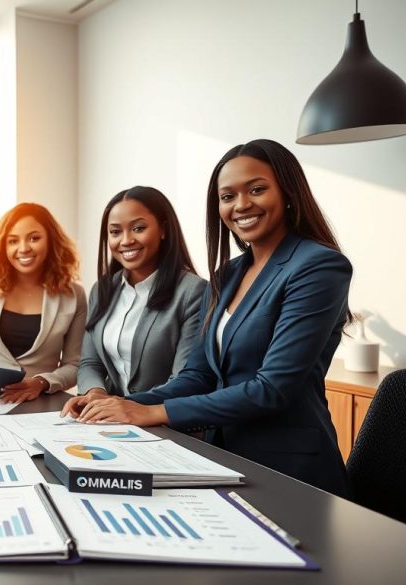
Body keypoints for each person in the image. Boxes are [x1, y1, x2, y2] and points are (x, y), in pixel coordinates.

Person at [71, 139, 352, 496]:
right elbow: (199, 375)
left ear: (288, 191)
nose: (241, 205)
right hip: (221, 455)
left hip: (289, 468)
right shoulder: (228, 275)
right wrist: (118, 405)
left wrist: (155, 413)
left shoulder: (318, 266)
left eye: (257, 189)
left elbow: (273, 388)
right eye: (227, 196)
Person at [60, 186, 206, 420]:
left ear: (163, 230)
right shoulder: (103, 289)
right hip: (111, 420)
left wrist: (124, 404)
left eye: (139, 228)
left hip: (165, 422)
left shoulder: (193, 291)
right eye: (115, 232)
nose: (126, 240)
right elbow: (89, 362)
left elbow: (185, 380)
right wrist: (96, 393)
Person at [0, 203, 86, 406]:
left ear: (51, 240)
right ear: (3, 246)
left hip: (41, 404)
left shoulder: (74, 294)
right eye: (13, 241)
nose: (23, 248)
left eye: (34, 238)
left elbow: (75, 364)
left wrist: (42, 382)